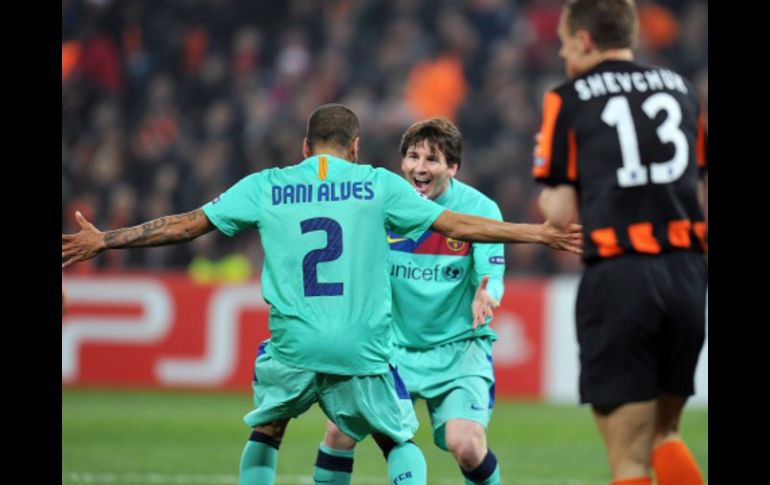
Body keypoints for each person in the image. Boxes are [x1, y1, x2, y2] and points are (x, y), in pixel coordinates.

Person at [62, 103, 582, 485]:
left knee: (270, 428)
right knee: (395, 439)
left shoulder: (267, 183)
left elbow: (187, 224)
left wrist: (105, 239)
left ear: (305, 148)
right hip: (367, 347)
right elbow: (456, 224)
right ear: (357, 149)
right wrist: (539, 233)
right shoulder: (377, 186)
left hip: (297, 343)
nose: (420, 168)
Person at [532, 2, 707, 485]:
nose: (565, 54)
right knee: (665, 434)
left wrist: (551, 180)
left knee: (629, 460)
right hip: (687, 276)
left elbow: (561, 213)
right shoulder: (682, 89)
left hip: (622, 276)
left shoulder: (569, 97)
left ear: (584, 41)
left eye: (565, 44)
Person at [314, 117, 508, 485]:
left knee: (465, 446)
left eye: (432, 160)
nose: (420, 167)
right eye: (413, 156)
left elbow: (491, 274)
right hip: (392, 349)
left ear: (453, 168)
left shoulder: (478, 209)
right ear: (402, 162)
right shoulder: (380, 207)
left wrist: (488, 294)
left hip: (457, 349)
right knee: (338, 432)